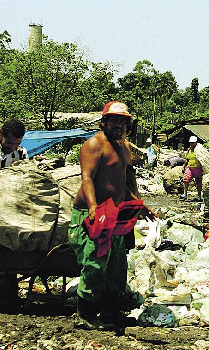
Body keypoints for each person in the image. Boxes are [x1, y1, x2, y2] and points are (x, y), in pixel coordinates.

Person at [69, 101, 151, 330]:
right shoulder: (94, 144)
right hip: (91, 213)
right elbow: (87, 178)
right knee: (95, 262)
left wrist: (137, 204)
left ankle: (110, 312)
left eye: (123, 121)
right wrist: (94, 207)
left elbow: (120, 184)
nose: (118, 125)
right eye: (114, 120)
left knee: (116, 264)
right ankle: (85, 314)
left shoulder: (123, 148)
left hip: (113, 215)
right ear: (104, 122)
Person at [181, 135, 203, 202]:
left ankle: (199, 196)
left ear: (196, 143)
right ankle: (185, 194)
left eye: (193, 143)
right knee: (185, 180)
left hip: (197, 168)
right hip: (190, 168)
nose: (191, 144)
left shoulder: (199, 150)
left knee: (198, 182)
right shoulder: (189, 150)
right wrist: (184, 166)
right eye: (190, 143)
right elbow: (187, 159)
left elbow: (203, 159)